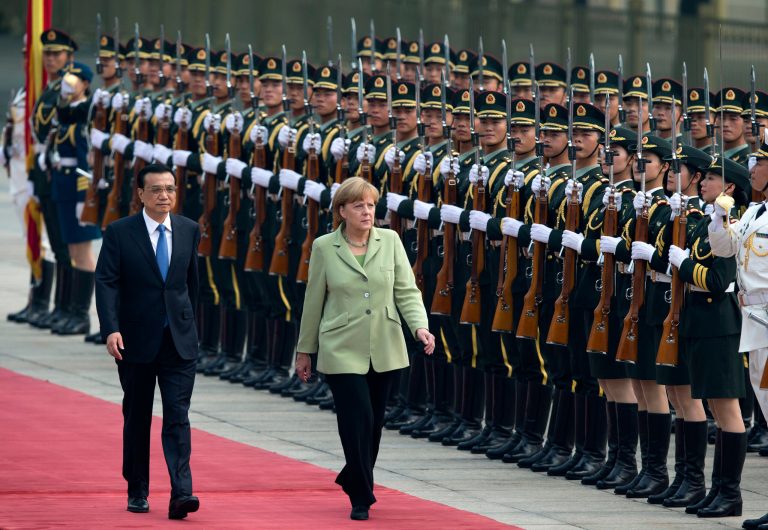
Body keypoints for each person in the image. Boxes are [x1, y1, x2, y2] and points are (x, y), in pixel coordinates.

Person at [295, 176, 435, 521]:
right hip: (341, 345)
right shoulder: (325, 246)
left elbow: (406, 290)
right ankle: (361, 494)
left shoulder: (390, 240)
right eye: (358, 205)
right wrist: (304, 350)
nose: (367, 211)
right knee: (356, 418)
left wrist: (420, 326)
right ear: (342, 210)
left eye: (371, 205)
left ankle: (353, 475)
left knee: (374, 422)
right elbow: (314, 300)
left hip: (385, 343)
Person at [95, 163, 201, 520]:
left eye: (170, 189)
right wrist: (110, 328)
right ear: (140, 194)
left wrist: (191, 326)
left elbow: (191, 285)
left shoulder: (188, 229)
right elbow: (106, 281)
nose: (164, 196)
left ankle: (181, 492)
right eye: (156, 189)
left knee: (178, 415)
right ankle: (137, 487)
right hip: (135, 340)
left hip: (179, 341)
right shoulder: (120, 232)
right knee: (138, 416)